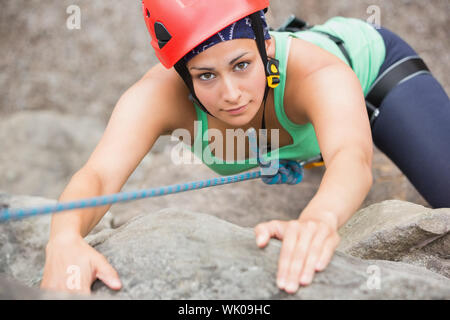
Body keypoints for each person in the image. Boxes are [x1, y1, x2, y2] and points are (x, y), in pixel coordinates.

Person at [41, 0, 450, 295]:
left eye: (242, 65)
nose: (231, 94)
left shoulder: (319, 73)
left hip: (373, 73)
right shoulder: (157, 97)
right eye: (205, 76)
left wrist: (318, 221)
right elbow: (98, 174)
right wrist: (63, 239)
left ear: (267, 46)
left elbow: (352, 159)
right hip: (306, 128)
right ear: (182, 75)